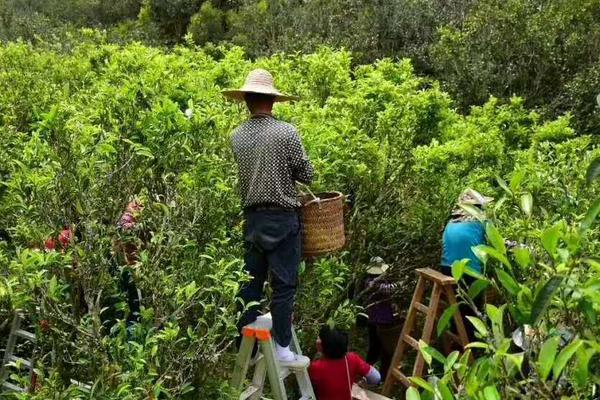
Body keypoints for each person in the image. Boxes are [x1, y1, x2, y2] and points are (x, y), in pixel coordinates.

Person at [223, 69, 314, 367]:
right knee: (284, 286)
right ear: (272, 101)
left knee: (250, 285)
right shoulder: (287, 132)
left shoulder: (236, 136)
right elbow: (307, 174)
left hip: (252, 220)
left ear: (247, 100)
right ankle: (282, 348)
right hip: (283, 218)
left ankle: (244, 350)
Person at [440, 189, 492, 339]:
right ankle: (473, 348)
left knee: (459, 308)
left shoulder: (451, 222)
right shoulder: (481, 222)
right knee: (473, 312)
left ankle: (458, 339)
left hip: (446, 269)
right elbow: (497, 243)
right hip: (467, 271)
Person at [309, 324, 381, 400]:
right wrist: (362, 384)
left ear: (322, 345)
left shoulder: (315, 367)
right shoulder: (352, 359)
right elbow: (376, 378)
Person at [363, 257, 401, 381]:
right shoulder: (371, 282)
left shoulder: (377, 281)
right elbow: (389, 288)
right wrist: (403, 283)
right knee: (378, 349)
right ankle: (371, 375)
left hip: (381, 320)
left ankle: (381, 376)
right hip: (378, 321)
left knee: (382, 350)